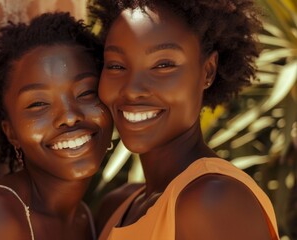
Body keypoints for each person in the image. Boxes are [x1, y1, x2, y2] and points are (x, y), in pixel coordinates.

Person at [89, 0, 280, 239]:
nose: (132, 90)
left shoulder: (213, 201)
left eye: (163, 65)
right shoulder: (117, 207)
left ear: (208, 71)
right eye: (116, 66)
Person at [0, 12, 113, 240]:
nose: (70, 117)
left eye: (86, 93)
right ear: (10, 131)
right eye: (39, 103)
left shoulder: (87, 220)